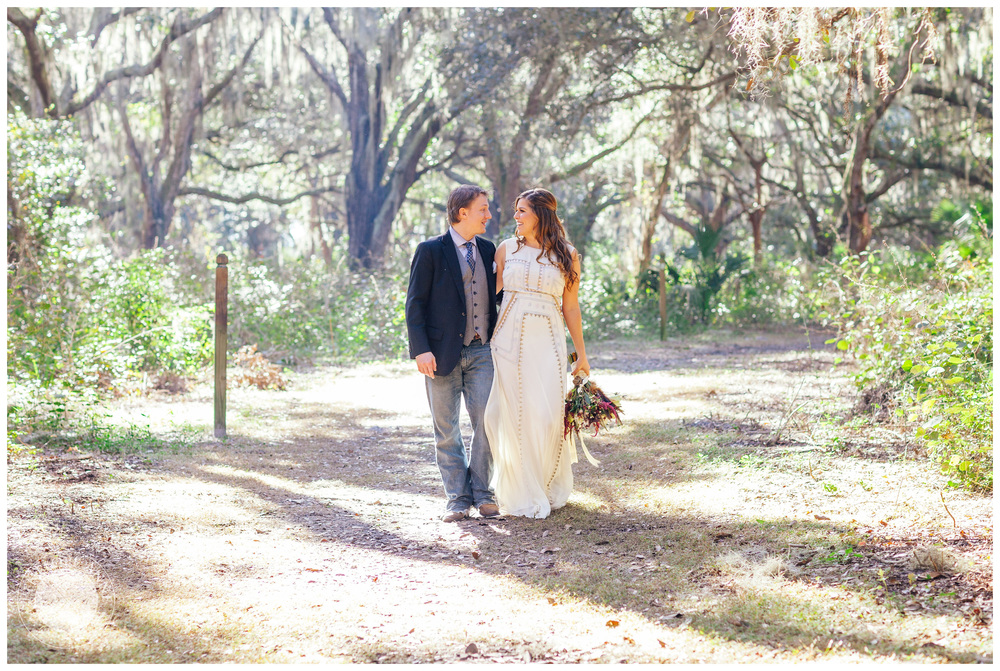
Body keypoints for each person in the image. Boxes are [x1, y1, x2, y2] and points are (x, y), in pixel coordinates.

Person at [484, 187, 590, 519]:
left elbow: (570, 308)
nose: (515, 216)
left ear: (541, 214)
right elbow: (488, 297)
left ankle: (544, 482)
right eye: (515, 211)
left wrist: (581, 355)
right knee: (512, 415)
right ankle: (519, 490)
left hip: (549, 341)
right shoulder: (506, 249)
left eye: (522, 211)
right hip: (508, 339)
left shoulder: (568, 255)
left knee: (545, 416)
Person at [405, 185, 501, 522]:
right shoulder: (430, 250)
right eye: (483, 209)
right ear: (463, 213)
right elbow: (414, 304)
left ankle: (484, 494)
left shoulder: (489, 251)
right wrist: (421, 351)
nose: (488, 215)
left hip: (482, 352)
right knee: (446, 430)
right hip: (440, 355)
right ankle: (457, 499)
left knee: (487, 423)